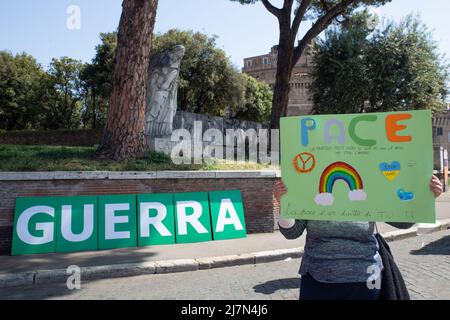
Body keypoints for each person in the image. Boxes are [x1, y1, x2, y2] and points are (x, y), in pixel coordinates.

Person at [274, 175, 443, 300]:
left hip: (365, 280)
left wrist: (427, 199)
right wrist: (283, 204)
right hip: (318, 281)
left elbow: (403, 223)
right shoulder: (311, 187)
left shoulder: (368, 185)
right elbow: (292, 232)